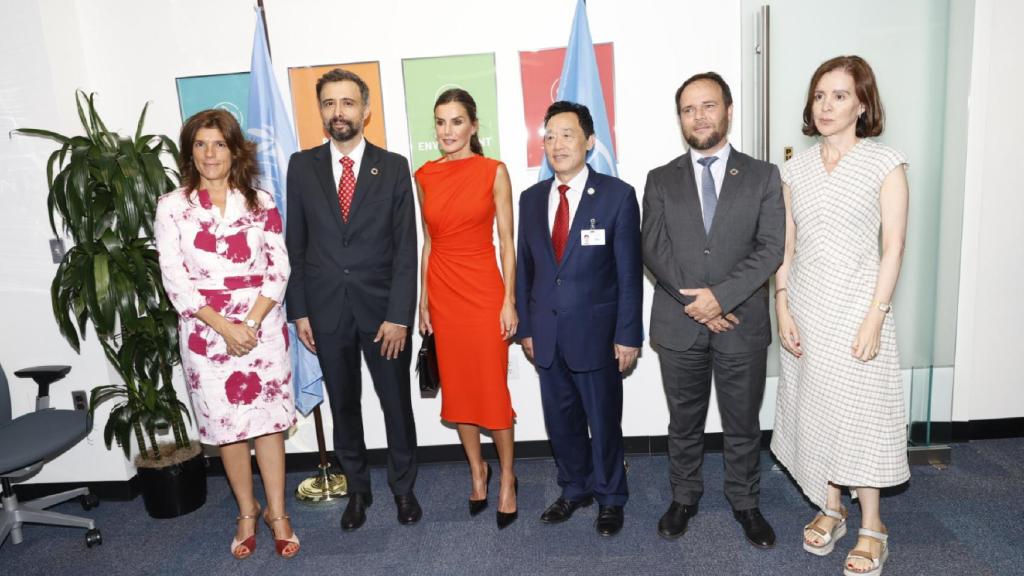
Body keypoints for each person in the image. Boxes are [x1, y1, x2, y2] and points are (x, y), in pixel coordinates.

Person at [771, 55, 910, 576]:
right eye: (819, 96)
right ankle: (831, 507)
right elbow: (786, 246)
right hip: (806, 304)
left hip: (859, 305)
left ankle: (873, 523)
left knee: (862, 412)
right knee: (817, 406)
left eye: (840, 96)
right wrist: (781, 303)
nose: (827, 106)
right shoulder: (795, 169)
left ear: (863, 104)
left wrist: (877, 315)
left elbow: (893, 247)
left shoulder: (885, 163)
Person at [642, 72, 784, 548]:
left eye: (708, 106)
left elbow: (770, 249)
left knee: (742, 423)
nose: (698, 117)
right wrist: (697, 304)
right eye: (688, 109)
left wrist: (719, 298)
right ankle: (683, 497)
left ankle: (746, 503)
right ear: (679, 118)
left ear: (728, 109)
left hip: (741, 323)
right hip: (679, 325)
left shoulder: (763, 175)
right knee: (684, 423)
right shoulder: (660, 179)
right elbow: (653, 249)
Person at [155, 109, 298, 559]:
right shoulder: (172, 206)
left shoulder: (261, 200)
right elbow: (175, 279)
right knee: (228, 430)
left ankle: (278, 513)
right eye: (200, 144)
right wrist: (224, 327)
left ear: (235, 150)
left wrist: (250, 324)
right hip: (206, 332)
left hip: (262, 329)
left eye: (218, 144)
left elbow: (279, 268)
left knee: (269, 425)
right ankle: (246, 512)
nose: (209, 153)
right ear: (189, 152)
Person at [284, 68, 420, 531]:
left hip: (384, 314)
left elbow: (406, 250)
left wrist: (400, 316)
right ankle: (357, 492)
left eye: (346, 103)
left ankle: (404, 491)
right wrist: (299, 309)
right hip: (325, 312)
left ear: (365, 110)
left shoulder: (394, 165)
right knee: (343, 405)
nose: (337, 112)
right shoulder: (301, 167)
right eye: (328, 104)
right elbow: (295, 246)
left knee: (396, 404)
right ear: (320, 111)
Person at [516, 101, 642, 537]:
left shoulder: (617, 195)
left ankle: (610, 497)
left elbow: (629, 275)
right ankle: (574, 489)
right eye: (549, 136)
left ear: (589, 141)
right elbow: (525, 270)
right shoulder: (530, 199)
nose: (556, 144)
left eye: (567, 134)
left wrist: (628, 335)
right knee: (561, 422)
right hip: (547, 335)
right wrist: (527, 330)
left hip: (598, 335)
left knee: (603, 421)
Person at [414, 88, 519, 529]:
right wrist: (422, 300)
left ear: (473, 126)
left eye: (456, 121)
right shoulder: (423, 175)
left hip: (483, 291)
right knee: (457, 390)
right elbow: (430, 241)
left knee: (492, 388)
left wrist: (509, 299)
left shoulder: (493, 171)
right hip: (443, 292)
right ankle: (478, 471)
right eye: (440, 122)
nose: (447, 131)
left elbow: (508, 243)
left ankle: (508, 478)